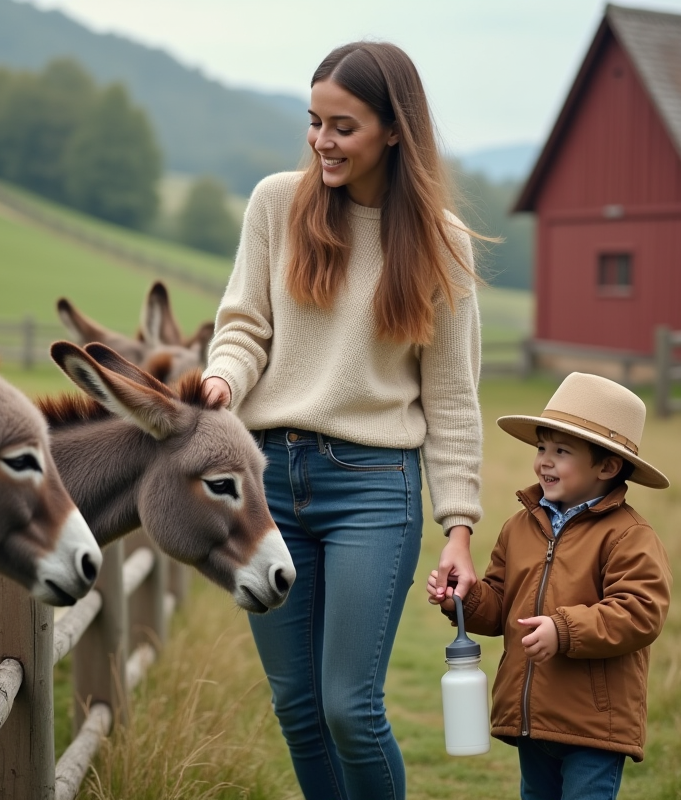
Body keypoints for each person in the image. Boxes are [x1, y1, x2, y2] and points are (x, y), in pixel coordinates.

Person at [200, 41, 485, 800]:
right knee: (297, 708)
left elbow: (452, 399)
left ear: (394, 130)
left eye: (343, 126)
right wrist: (221, 383)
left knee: (349, 709)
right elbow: (244, 327)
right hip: (267, 483)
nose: (321, 141)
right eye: (313, 121)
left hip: (372, 487)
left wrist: (458, 527)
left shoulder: (441, 245)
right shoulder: (274, 206)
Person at [427, 372, 672, 800]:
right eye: (542, 447)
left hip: (595, 726)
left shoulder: (628, 534)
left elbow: (640, 612)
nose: (544, 460)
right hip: (533, 719)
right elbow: (502, 608)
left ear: (608, 466)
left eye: (562, 451)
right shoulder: (520, 526)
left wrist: (564, 630)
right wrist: (464, 599)